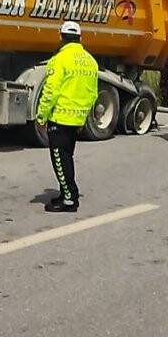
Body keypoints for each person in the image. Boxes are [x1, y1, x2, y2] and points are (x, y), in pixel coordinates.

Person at [35, 20, 99, 213]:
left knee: (60, 160)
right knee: (66, 158)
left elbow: (51, 91)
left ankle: (70, 199)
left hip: (60, 118)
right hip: (77, 118)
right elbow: (93, 93)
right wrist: (82, 116)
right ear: (80, 38)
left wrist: (41, 115)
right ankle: (66, 193)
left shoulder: (59, 59)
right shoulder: (90, 61)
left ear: (61, 37)